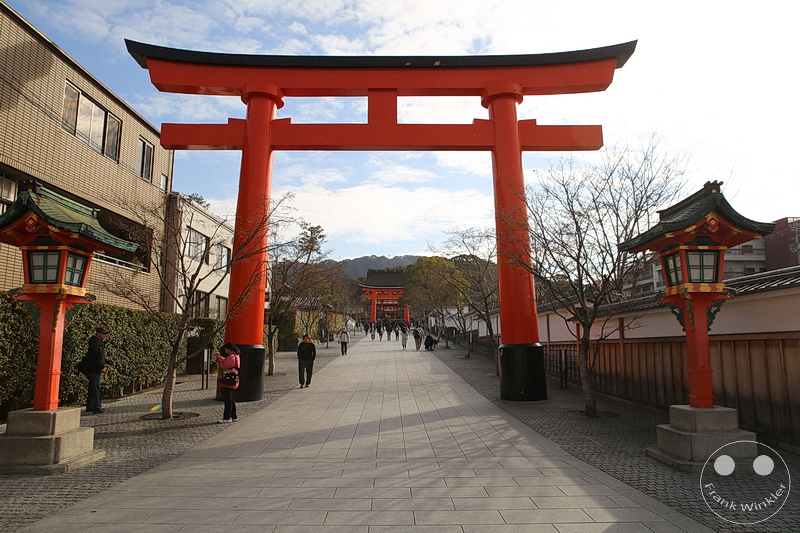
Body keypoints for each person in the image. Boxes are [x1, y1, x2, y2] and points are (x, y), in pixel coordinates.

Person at [84, 326, 108, 414]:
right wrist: (102, 366)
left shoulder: (94, 341)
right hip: (95, 368)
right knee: (95, 387)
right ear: (98, 333)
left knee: (92, 387)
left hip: (92, 368)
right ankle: (96, 406)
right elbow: (98, 356)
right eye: (103, 333)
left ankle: (90, 406)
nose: (104, 335)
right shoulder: (97, 343)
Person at [217, 342, 240, 423]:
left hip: (228, 380)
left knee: (228, 400)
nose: (225, 351)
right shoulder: (235, 355)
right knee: (231, 399)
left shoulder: (231, 356)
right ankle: (233, 416)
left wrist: (219, 358)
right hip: (232, 379)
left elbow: (225, 365)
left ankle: (227, 417)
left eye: (226, 350)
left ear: (229, 349)